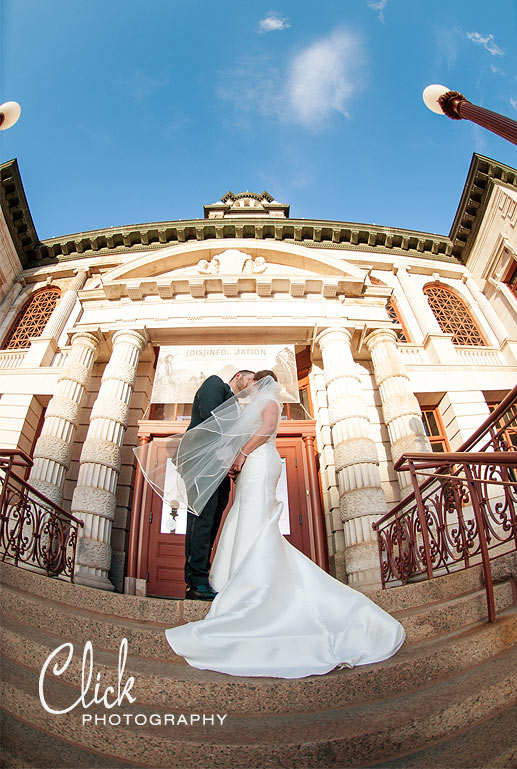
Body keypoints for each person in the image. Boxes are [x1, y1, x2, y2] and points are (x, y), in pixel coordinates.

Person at [163, 370, 406, 679]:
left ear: (260, 382)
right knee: (228, 518)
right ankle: (210, 580)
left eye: (254, 384)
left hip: (255, 462)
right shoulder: (217, 386)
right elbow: (212, 428)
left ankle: (241, 581)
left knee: (245, 518)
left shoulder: (266, 401)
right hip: (219, 465)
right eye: (248, 383)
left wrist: (240, 454)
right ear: (239, 376)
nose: (250, 389)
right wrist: (236, 457)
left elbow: (264, 428)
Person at [183, 369, 255, 600]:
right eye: (251, 379)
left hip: (219, 468)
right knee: (202, 518)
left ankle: (202, 574)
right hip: (200, 462)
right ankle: (196, 582)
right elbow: (210, 423)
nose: (253, 385)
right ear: (237, 376)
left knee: (213, 520)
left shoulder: (236, 405)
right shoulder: (215, 384)